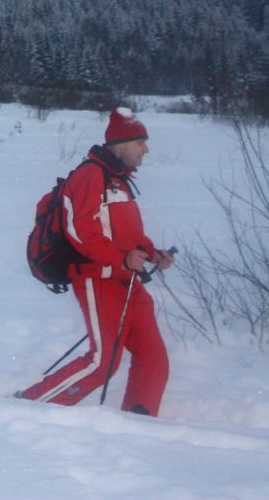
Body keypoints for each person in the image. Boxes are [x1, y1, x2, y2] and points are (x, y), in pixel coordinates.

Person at [18, 107, 174, 415]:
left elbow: (127, 232)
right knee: (102, 361)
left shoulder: (119, 180)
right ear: (120, 143)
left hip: (125, 278)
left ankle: (138, 420)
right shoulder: (91, 175)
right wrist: (122, 258)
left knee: (153, 356)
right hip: (96, 277)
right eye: (140, 142)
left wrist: (152, 252)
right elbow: (81, 231)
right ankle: (27, 407)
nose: (146, 149)